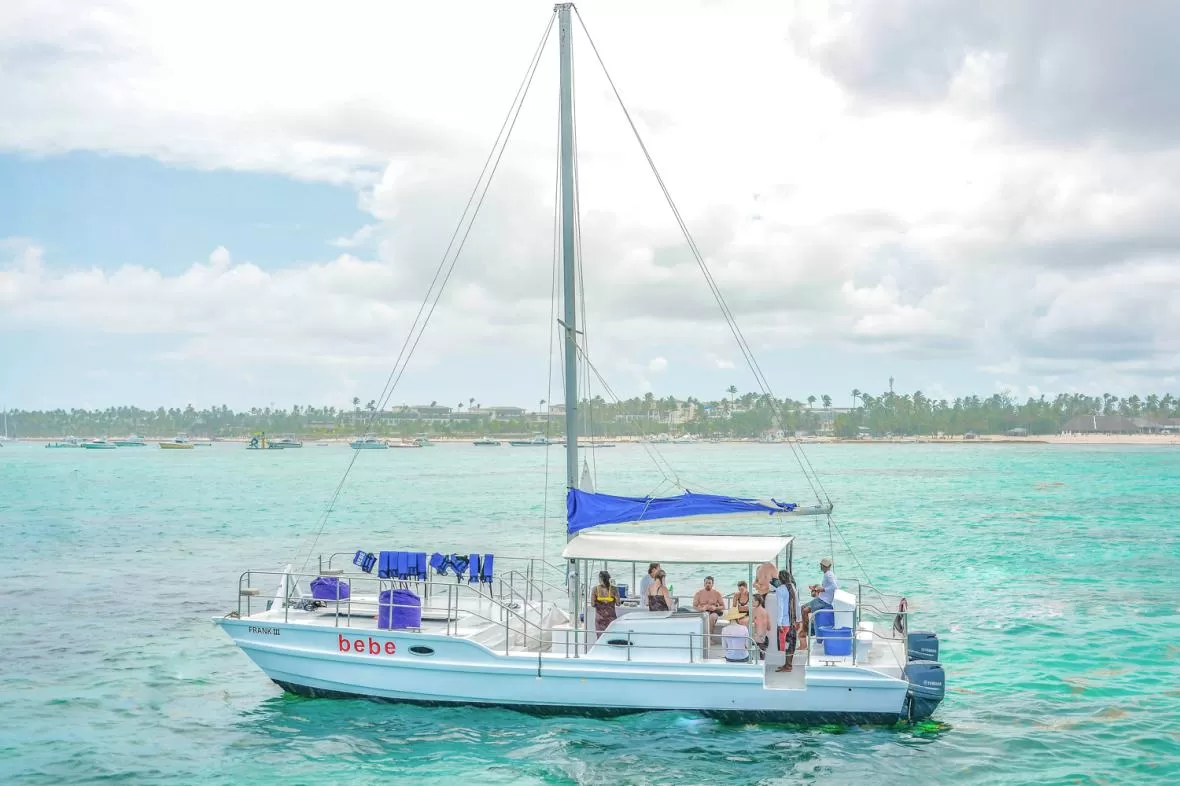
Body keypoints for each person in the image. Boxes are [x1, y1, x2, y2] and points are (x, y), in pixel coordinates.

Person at [802, 557, 838, 637]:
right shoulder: (830, 574)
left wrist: (823, 589)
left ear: (823, 566)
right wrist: (816, 588)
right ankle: (811, 630)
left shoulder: (828, 575)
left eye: (821, 565)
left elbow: (835, 587)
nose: (820, 566)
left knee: (803, 610)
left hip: (822, 602)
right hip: (822, 600)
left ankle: (810, 631)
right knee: (804, 609)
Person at [774, 569, 801, 673]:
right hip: (793, 621)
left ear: (780, 578)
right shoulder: (793, 587)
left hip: (785, 621)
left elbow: (780, 607)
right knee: (791, 644)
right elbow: (797, 605)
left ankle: (788, 666)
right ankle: (787, 665)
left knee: (786, 644)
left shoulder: (780, 589)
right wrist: (798, 619)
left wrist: (779, 622)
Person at [751, 593, 770, 660]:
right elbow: (769, 627)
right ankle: (762, 666)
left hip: (757, 636)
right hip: (763, 636)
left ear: (757, 601)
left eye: (752, 601)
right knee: (762, 655)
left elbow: (750, 622)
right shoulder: (765, 611)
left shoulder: (755, 610)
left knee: (746, 646)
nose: (751, 603)